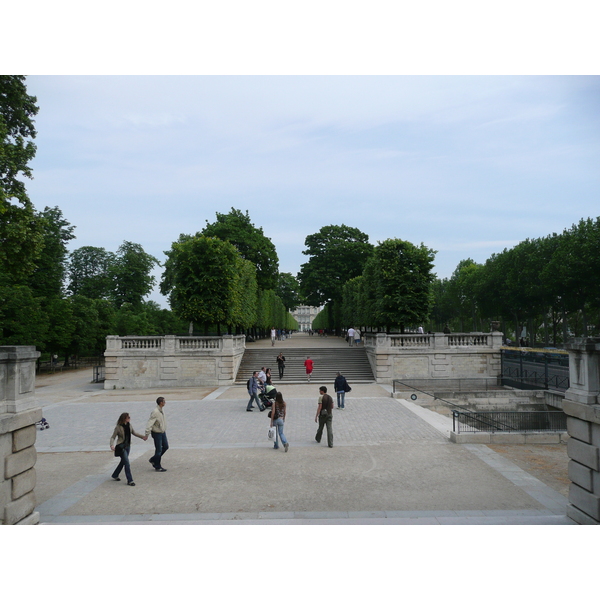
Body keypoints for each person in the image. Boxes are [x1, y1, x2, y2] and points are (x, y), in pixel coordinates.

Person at [110, 412, 147, 486]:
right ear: (124, 419)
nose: (130, 418)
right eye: (128, 417)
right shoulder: (118, 427)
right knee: (126, 463)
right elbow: (113, 437)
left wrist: (142, 437)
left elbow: (134, 433)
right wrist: (111, 445)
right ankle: (130, 480)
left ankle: (115, 475)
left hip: (128, 446)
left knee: (123, 461)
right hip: (121, 447)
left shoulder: (129, 425)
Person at [145, 397, 169, 472]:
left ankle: (153, 459)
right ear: (161, 402)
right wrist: (147, 433)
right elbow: (150, 423)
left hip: (162, 432)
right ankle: (157, 466)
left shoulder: (161, 410)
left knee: (165, 446)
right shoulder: (155, 412)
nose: (165, 402)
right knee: (158, 450)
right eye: (164, 401)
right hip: (157, 433)